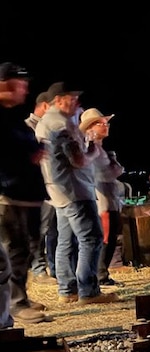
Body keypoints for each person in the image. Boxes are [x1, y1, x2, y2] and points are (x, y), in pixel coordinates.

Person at [36, 81, 118, 305]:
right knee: (91, 238)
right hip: (75, 190)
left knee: (65, 241)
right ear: (59, 100)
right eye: (72, 99)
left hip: (57, 191)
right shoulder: (61, 124)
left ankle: (67, 289)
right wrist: (91, 149)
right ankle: (88, 291)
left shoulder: (45, 123)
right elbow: (79, 160)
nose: (77, 103)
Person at [0, 63, 52, 325]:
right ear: (6, 84)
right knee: (15, 251)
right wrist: (28, 156)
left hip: (27, 194)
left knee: (28, 249)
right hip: (11, 195)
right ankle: (16, 303)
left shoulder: (11, 116)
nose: (26, 89)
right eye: (22, 84)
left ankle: (21, 297)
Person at [79, 108, 124, 286]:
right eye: (101, 123)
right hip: (99, 197)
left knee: (112, 235)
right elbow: (93, 172)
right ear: (90, 127)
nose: (105, 126)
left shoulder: (102, 149)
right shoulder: (87, 147)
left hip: (110, 197)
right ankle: (99, 275)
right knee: (104, 237)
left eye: (106, 123)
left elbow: (116, 171)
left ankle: (103, 273)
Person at [25, 91, 58, 283]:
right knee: (41, 230)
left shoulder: (49, 128)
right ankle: (38, 269)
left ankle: (53, 267)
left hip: (54, 186)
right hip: (38, 187)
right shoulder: (28, 127)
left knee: (54, 230)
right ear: (45, 106)